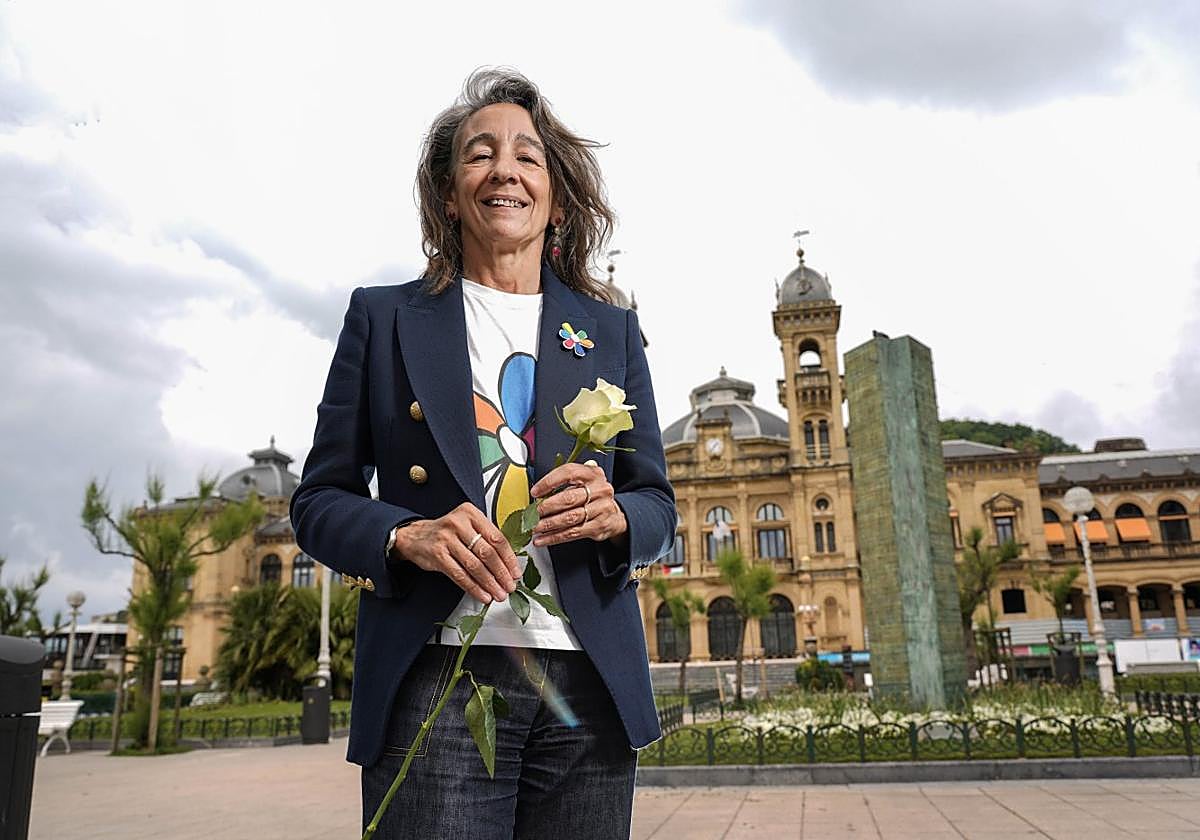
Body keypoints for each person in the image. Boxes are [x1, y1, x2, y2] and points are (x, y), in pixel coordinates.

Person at [290, 68, 674, 839]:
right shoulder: (384, 317)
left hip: (588, 683)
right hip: (436, 677)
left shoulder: (610, 329)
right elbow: (319, 501)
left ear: (556, 196)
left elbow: (658, 505)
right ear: (448, 193)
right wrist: (406, 535)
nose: (505, 169)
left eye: (528, 156)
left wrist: (616, 516)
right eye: (480, 154)